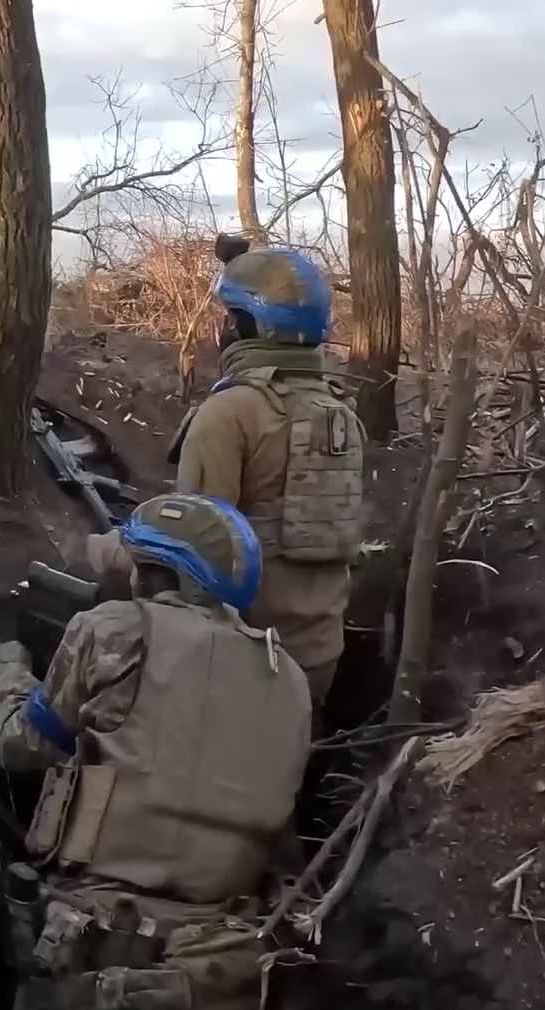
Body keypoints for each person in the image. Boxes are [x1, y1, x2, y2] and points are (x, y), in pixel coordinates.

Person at [0, 492, 313, 1010]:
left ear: (155, 571)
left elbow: (20, 745)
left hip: (89, 947)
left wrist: (8, 658)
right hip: (212, 975)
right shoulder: (288, 677)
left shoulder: (114, 628)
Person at [168, 244, 367, 723]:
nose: (225, 327)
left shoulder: (229, 413)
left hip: (244, 659)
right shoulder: (342, 415)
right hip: (320, 657)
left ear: (251, 326)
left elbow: (194, 556)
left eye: (232, 315)